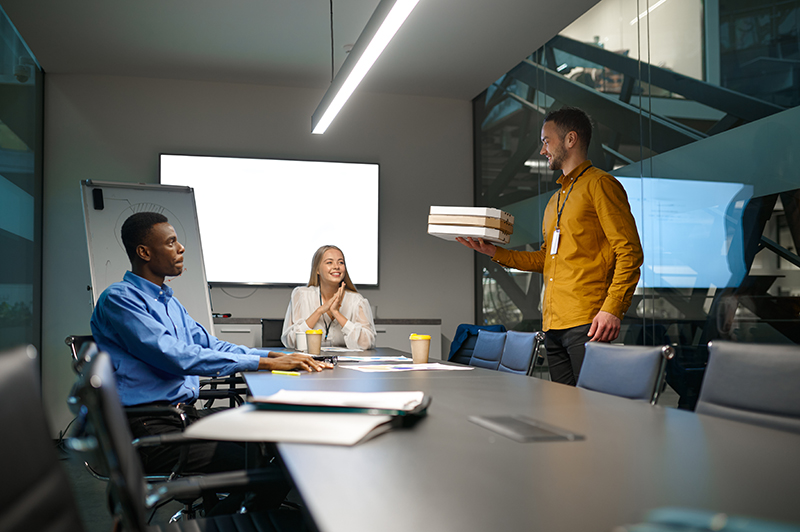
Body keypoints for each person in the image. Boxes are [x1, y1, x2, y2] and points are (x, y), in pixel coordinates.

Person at [91, 212, 332, 476]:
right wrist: (265, 362)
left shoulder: (170, 303)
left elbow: (211, 345)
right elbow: (176, 356)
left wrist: (274, 354)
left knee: (276, 447)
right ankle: (221, 518)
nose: (181, 248)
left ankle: (242, 511)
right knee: (272, 472)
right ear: (144, 252)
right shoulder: (119, 299)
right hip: (149, 429)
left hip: (183, 417)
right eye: (171, 242)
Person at [457, 107, 643, 386]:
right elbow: (547, 258)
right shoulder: (555, 200)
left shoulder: (601, 185)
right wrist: (495, 253)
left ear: (570, 139)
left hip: (589, 322)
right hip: (553, 325)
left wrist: (613, 308)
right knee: (563, 411)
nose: (542, 149)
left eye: (546, 140)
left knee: (595, 412)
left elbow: (629, 251)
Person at [281, 245, 376, 350]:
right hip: (309, 362)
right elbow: (291, 341)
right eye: (329, 262)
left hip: (345, 363)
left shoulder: (357, 301)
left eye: (341, 262)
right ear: (317, 269)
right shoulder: (302, 295)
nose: (336, 267)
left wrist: (336, 313)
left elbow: (366, 343)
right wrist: (320, 311)